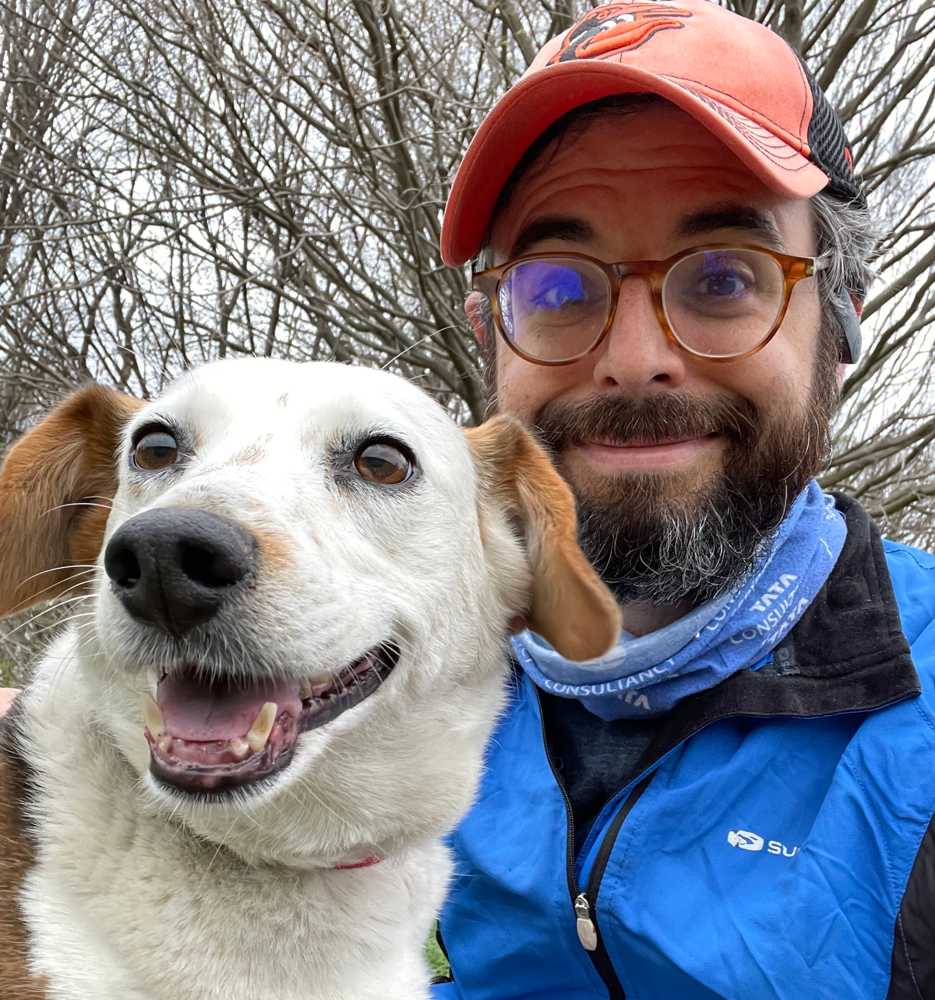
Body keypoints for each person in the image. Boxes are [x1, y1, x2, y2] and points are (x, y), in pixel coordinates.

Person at [431, 2, 935, 998]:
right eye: (558, 289)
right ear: (490, 335)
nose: (633, 359)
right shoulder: (428, 665)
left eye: (721, 278)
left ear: (840, 325)